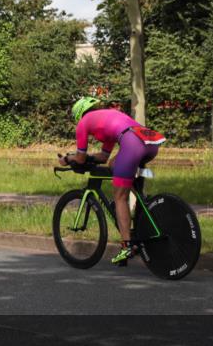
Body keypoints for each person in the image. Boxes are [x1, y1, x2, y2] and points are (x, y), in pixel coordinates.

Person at [57, 97, 165, 266]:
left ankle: (127, 247)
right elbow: (103, 157)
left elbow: (80, 158)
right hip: (149, 141)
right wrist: (89, 157)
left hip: (132, 143)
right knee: (114, 164)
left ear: (79, 114)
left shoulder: (83, 123)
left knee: (120, 197)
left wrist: (67, 158)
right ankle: (141, 205)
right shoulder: (106, 119)